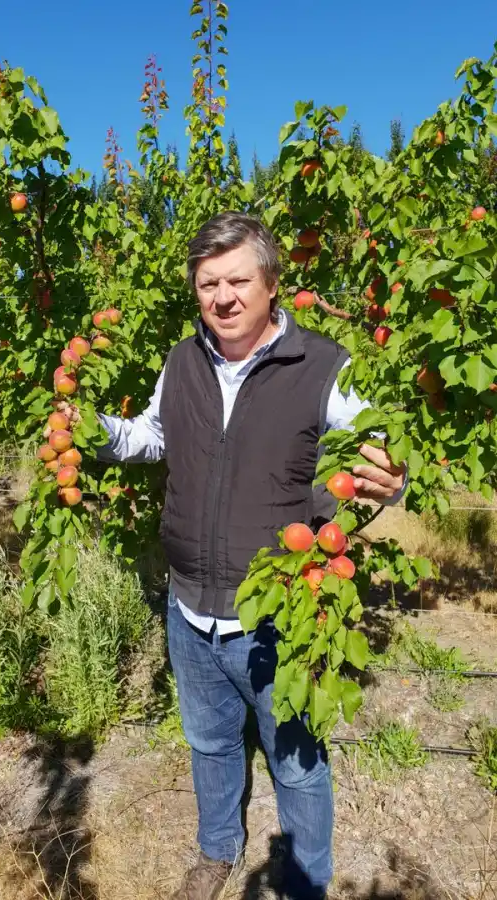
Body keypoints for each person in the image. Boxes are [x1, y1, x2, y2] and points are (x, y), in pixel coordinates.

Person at [98, 212, 405, 900]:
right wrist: (95, 434)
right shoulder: (182, 359)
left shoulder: (323, 365)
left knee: (296, 764)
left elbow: (375, 447)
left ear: (271, 284)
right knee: (209, 746)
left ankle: (304, 881)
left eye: (238, 279)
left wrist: (395, 473)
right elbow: (153, 435)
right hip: (188, 607)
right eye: (208, 283)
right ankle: (217, 851)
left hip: (278, 615)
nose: (222, 296)